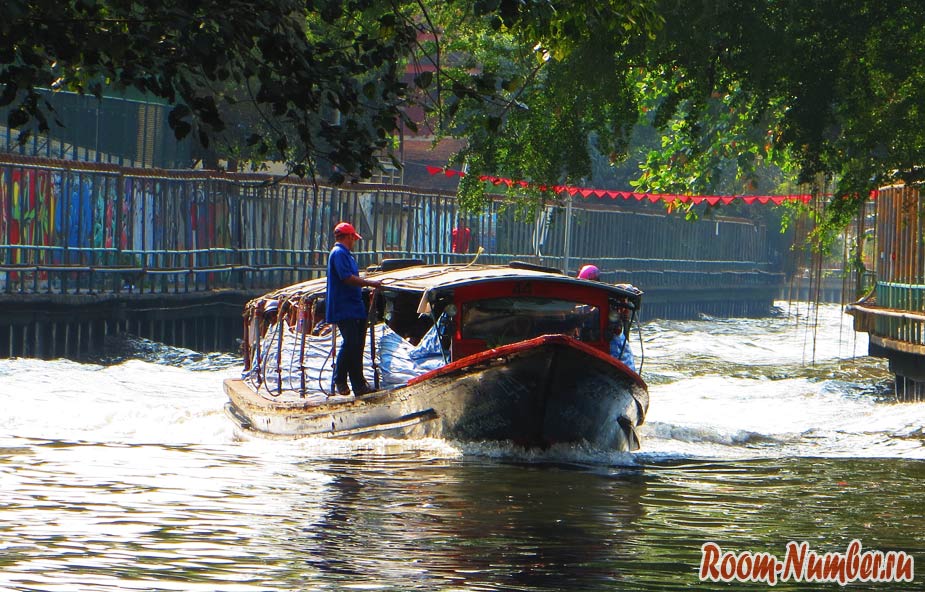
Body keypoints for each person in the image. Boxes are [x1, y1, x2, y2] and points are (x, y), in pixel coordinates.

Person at [326, 221, 382, 397]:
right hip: (344, 306)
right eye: (353, 238)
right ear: (349, 237)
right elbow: (346, 278)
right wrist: (369, 283)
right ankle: (339, 378)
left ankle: (358, 385)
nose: (354, 241)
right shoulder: (338, 254)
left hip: (354, 304)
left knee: (357, 345)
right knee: (350, 342)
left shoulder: (347, 255)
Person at [577, 263, 636, 371]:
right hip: (585, 344)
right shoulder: (580, 305)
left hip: (609, 344)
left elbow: (628, 288)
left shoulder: (607, 297)